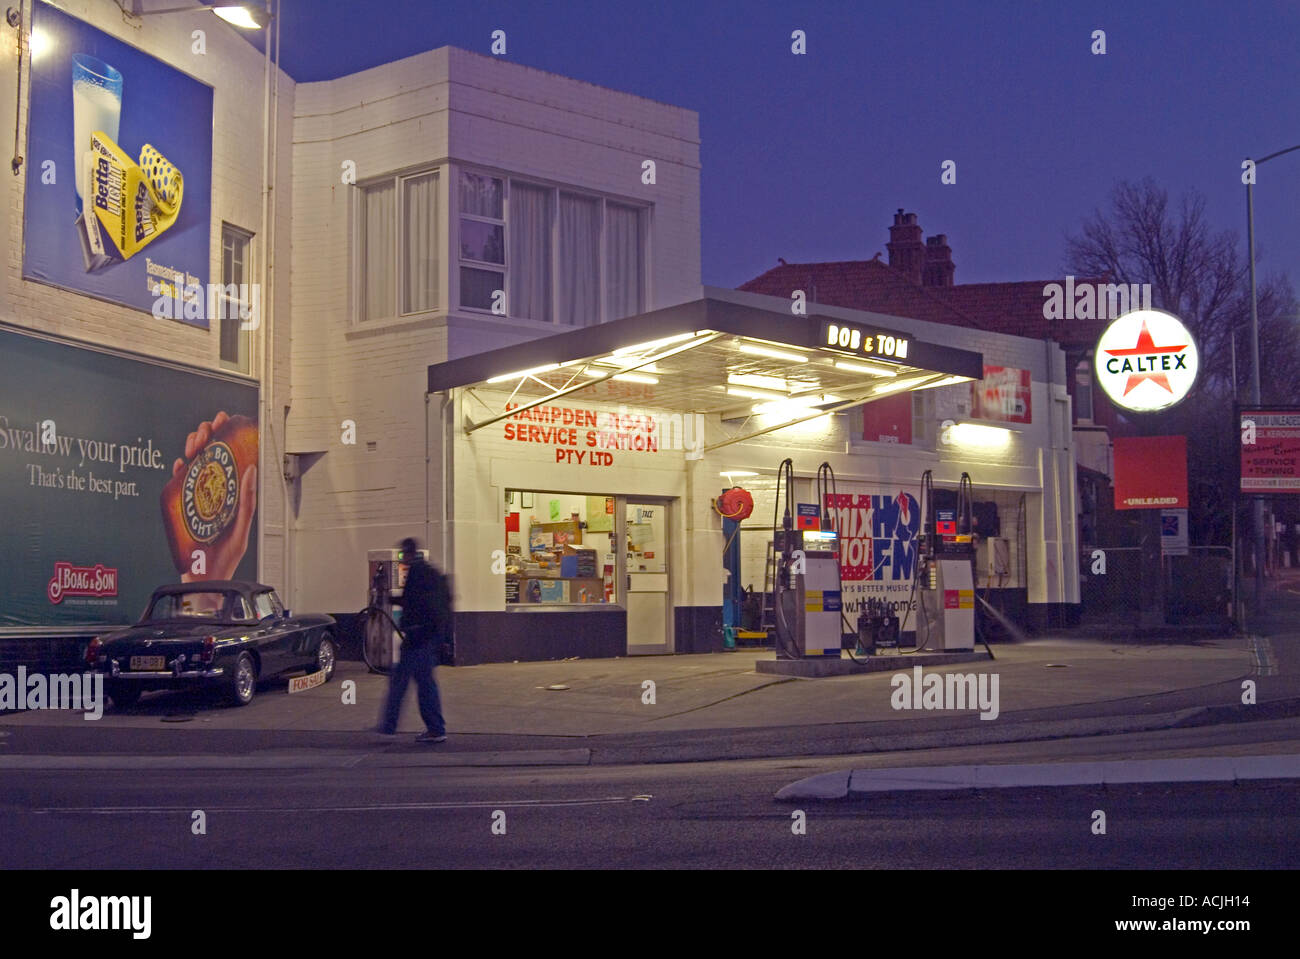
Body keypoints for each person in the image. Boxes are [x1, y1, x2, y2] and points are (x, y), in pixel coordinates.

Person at [377, 537, 449, 743]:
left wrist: (388, 597)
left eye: (402, 555)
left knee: (400, 681)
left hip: (417, 637)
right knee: (425, 684)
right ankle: (435, 728)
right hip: (428, 637)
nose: (403, 559)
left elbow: (414, 602)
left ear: (408, 553)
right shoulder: (431, 572)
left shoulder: (417, 573)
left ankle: (390, 725)